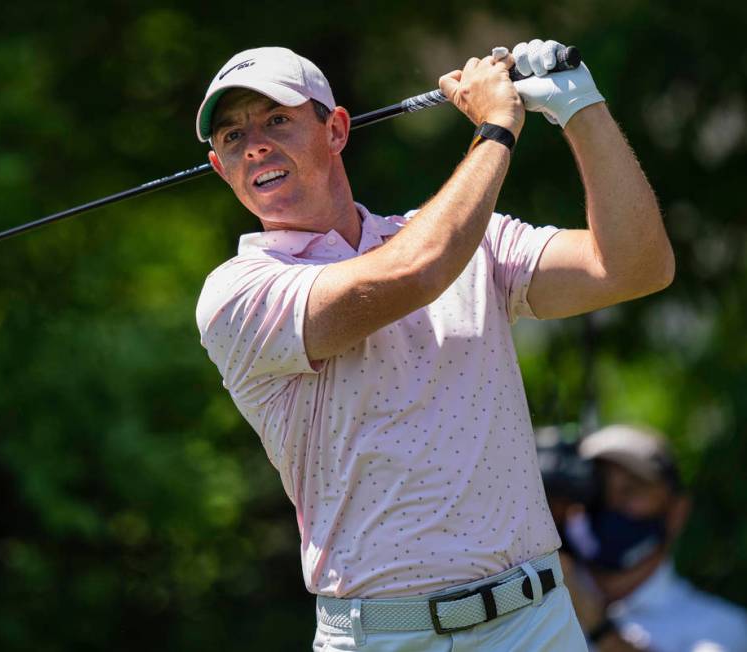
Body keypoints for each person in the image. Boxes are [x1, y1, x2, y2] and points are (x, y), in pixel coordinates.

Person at [194, 39, 674, 651]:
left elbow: (636, 266)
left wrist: (581, 107)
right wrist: (498, 128)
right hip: (383, 636)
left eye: (277, 119)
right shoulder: (237, 293)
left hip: (533, 624)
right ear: (220, 167)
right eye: (232, 136)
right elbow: (416, 273)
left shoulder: (471, 240)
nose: (255, 143)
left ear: (336, 129)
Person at [556, 424, 747, 651]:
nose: (610, 503)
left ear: (677, 511)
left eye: (631, 490)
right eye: (597, 489)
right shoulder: (539, 603)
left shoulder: (723, 627)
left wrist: (596, 625)